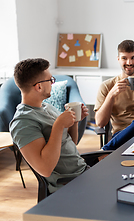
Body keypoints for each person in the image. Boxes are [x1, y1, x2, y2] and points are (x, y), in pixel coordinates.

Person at [10, 58, 93, 193]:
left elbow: (71, 143)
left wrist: (75, 121)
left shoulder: (46, 107)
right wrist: (59, 125)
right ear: (39, 86)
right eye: (50, 80)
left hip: (84, 171)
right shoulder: (22, 123)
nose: (52, 83)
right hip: (70, 183)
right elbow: (45, 169)